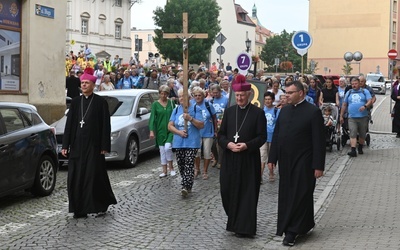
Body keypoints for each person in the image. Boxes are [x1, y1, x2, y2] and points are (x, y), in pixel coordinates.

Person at [267, 80, 326, 246]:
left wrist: (318, 166)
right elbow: (277, 136)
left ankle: (292, 232)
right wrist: (272, 158)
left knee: (300, 194)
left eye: (290, 92)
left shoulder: (313, 112)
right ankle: (303, 225)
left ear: (300, 93)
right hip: (286, 161)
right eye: (286, 92)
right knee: (287, 194)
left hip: (304, 161)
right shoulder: (284, 111)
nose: (286, 95)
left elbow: (318, 141)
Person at [61, 73, 117, 219]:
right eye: (82, 83)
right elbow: (70, 124)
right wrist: (65, 145)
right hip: (77, 146)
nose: (84, 85)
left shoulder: (100, 102)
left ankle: (99, 205)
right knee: (76, 176)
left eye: (87, 83)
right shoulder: (75, 102)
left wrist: (105, 145)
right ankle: (79, 209)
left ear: (93, 85)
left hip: (94, 146)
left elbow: (106, 125)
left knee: (94, 176)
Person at [218, 74, 266, 238]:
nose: (239, 98)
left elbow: (262, 137)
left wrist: (247, 145)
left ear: (249, 95)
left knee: (247, 193)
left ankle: (244, 227)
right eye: (237, 95)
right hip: (230, 159)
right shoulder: (230, 112)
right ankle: (234, 221)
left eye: (242, 95)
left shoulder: (258, 113)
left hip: (248, 159)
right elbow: (221, 135)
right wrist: (228, 144)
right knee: (227, 190)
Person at [168, 89, 204, 197]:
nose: (182, 99)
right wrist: (178, 132)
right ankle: (188, 184)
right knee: (181, 164)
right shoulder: (176, 110)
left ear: (189, 97)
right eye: (180, 97)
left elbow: (201, 125)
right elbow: (170, 126)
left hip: (192, 142)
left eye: (184, 96)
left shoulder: (195, 108)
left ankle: (185, 186)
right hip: (179, 142)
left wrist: (190, 119)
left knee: (189, 163)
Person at [340, 77, 373, 157]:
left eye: (355, 84)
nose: (354, 85)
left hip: (363, 117)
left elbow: (370, 101)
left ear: (359, 84)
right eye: (352, 84)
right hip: (352, 117)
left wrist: (365, 106)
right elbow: (344, 105)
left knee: (362, 134)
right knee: (352, 133)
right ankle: (353, 150)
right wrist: (341, 116)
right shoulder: (349, 92)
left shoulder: (365, 91)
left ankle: (360, 147)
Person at [149, 85, 176, 177]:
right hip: (160, 130)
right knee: (162, 150)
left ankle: (171, 167)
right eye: (162, 94)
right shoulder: (155, 105)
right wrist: (151, 130)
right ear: (159, 94)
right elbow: (152, 118)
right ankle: (164, 171)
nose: (164, 96)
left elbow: (175, 115)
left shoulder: (171, 103)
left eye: (165, 94)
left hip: (170, 129)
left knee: (168, 147)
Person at [191, 87, 217, 180]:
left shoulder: (208, 105)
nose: (198, 97)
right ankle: (197, 169)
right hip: (196, 133)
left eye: (199, 95)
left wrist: (215, 130)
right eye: (196, 95)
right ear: (193, 96)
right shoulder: (192, 105)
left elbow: (214, 117)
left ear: (203, 96)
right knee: (196, 153)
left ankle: (205, 171)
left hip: (208, 132)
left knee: (207, 152)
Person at [260, 91, 279, 183]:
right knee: (262, 156)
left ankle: (271, 172)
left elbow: (279, 124)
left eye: (269, 99)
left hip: (273, 137)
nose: (267, 101)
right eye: (266, 99)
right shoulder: (261, 110)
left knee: (271, 157)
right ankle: (260, 175)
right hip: (263, 136)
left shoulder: (276, 111)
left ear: (273, 100)